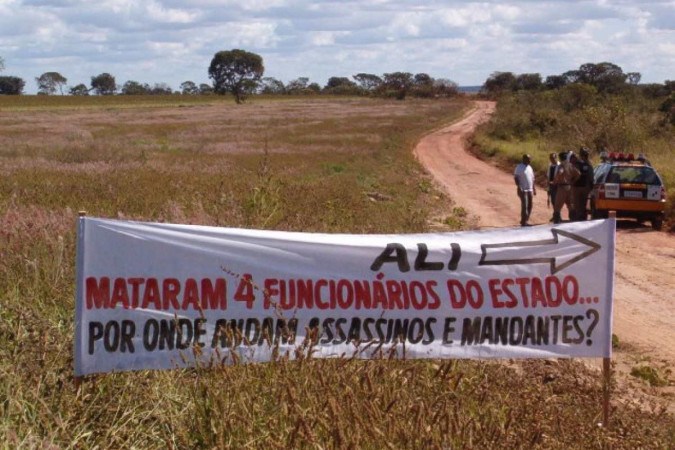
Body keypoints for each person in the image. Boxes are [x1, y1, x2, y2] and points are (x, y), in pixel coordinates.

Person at [552, 151, 580, 224]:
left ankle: (556, 221)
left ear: (560, 158)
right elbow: (578, 174)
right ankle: (572, 221)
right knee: (570, 205)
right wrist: (573, 181)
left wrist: (555, 181)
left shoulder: (562, 165)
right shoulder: (570, 165)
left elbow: (560, 172)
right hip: (570, 187)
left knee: (557, 206)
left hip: (562, 187)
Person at [514, 154, 536, 226]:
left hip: (530, 189)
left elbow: (532, 178)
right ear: (523, 159)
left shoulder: (530, 167)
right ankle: (524, 222)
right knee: (525, 206)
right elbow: (516, 177)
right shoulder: (519, 167)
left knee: (530, 205)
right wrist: (519, 186)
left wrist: (534, 188)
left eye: (530, 159)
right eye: (528, 159)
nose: (529, 160)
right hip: (523, 189)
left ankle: (525, 220)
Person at [572, 147, 594, 221]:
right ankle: (581, 218)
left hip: (577, 187)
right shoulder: (589, 164)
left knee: (578, 205)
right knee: (583, 204)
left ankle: (579, 218)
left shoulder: (576, 163)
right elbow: (591, 177)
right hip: (584, 187)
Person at [547, 152, 559, 220]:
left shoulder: (559, 165)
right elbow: (548, 176)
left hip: (557, 186)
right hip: (551, 186)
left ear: (556, 158)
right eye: (551, 158)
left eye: (553, 158)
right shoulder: (550, 166)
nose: (552, 159)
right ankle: (555, 215)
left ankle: (557, 216)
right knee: (553, 201)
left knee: (557, 201)